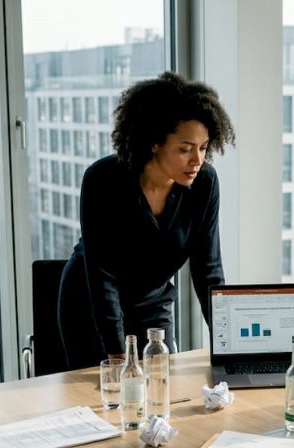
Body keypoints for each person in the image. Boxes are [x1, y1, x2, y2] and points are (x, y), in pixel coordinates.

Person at [58, 72, 235, 368]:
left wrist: (228, 343)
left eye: (203, 148)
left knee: (160, 390)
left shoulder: (204, 184)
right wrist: (115, 354)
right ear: (154, 142)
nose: (198, 160)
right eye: (185, 149)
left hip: (153, 305)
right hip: (91, 304)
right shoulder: (103, 179)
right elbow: (102, 274)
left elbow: (209, 269)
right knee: (103, 397)